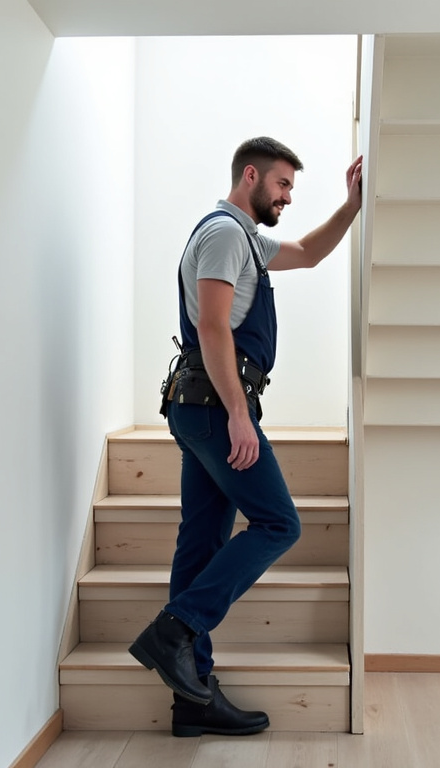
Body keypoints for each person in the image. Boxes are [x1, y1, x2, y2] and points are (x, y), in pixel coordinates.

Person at [128, 137, 362, 737]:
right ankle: (174, 632)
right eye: (283, 185)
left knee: (201, 542)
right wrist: (238, 414)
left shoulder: (247, 239)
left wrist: (352, 204)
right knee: (279, 523)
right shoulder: (226, 234)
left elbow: (309, 251)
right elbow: (210, 324)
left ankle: (193, 700)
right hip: (213, 406)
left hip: (202, 404)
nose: (287, 198)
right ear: (250, 176)